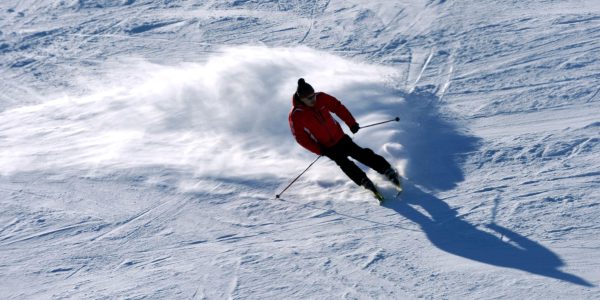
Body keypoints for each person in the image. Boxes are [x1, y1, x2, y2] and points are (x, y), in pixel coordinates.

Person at [288, 78, 401, 200]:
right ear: (301, 99)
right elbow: (300, 138)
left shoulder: (321, 98)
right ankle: (364, 181)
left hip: (340, 137)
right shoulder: (296, 115)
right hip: (327, 147)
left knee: (360, 153)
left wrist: (351, 123)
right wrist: (319, 150)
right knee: (344, 163)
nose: (313, 100)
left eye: (313, 96)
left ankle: (386, 169)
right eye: (309, 98)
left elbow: (338, 107)